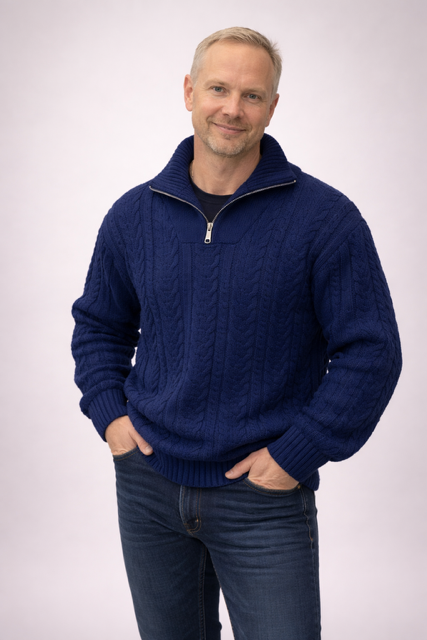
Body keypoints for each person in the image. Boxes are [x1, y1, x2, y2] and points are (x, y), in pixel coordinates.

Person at [71, 27, 402, 640]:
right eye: (219, 89)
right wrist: (112, 418)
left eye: (252, 95)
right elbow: (98, 325)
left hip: (263, 499)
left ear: (272, 107)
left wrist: (295, 455)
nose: (232, 108)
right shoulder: (132, 216)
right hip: (148, 487)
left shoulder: (326, 220)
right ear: (189, 92)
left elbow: (372, 353)